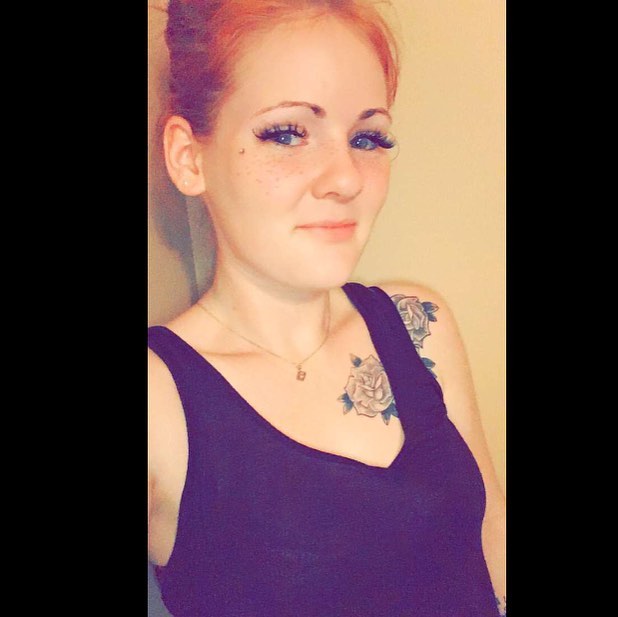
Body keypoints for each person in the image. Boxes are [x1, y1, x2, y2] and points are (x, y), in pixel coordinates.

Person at [148, 1, 506, 615]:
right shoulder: (159, 402)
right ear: (189, 157)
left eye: (368, 138)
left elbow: (491, 534)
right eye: (287, 132)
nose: (347, 178)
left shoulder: (419, 324)